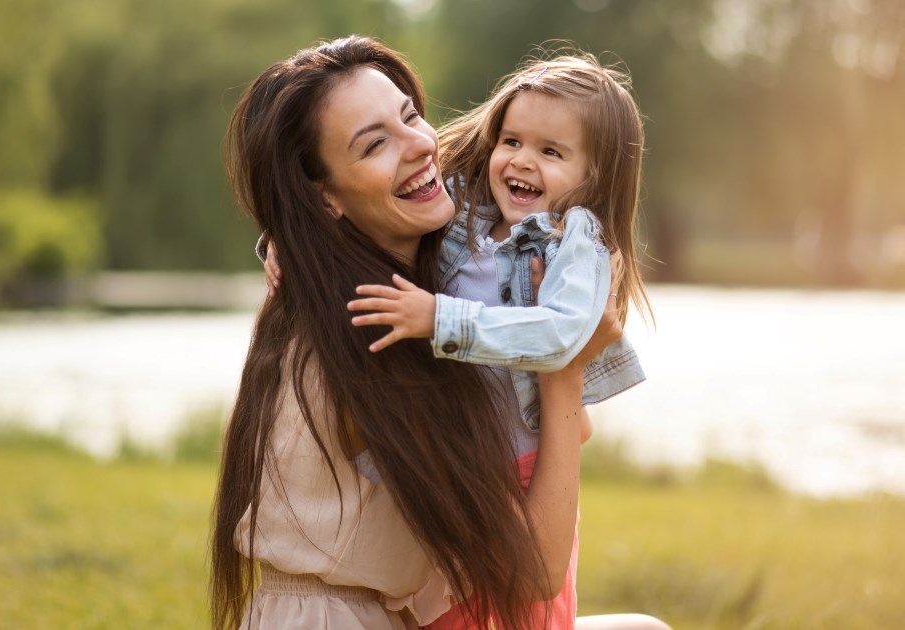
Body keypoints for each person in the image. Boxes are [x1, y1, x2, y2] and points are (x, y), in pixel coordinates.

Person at [214, 36, 669, 630]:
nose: (424, 145)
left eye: (410, 116)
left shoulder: (422, 275)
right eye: (375, 143)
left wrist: (283, 237)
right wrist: (565, 372)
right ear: (321, 195)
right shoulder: (373, 330)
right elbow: (533, 572)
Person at [341, 52, 651, 630]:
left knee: (517, 611)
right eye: (512, 140)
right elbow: (364, 200)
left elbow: (561, 335)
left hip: (521, 463)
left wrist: (441, 319)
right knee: (445, 604)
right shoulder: (471, 212)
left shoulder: (575, 242)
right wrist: (278, 242)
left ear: (595, 177)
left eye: (552, 152)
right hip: (463, 447)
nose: (521, 161)